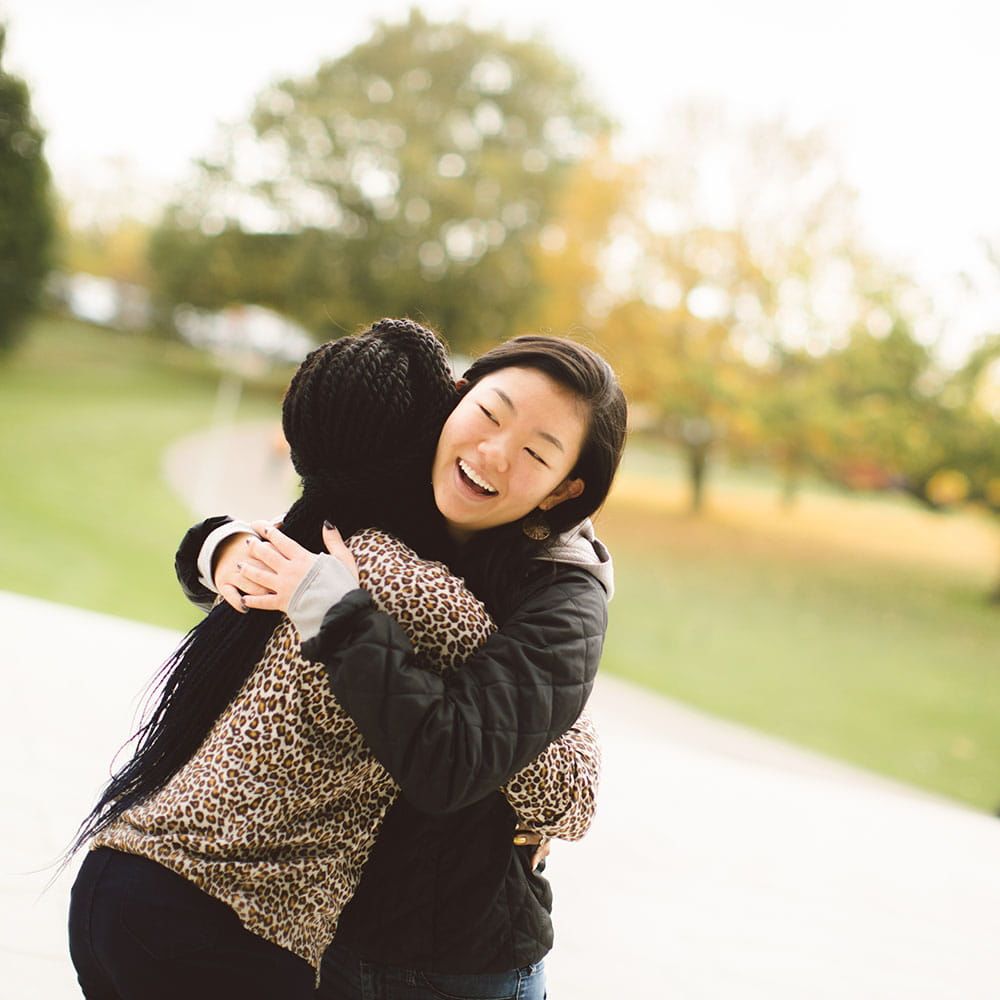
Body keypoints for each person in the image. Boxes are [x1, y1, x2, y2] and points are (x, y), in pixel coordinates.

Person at [72, 320, 626, 999]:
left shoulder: (562, 593)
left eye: (538, 454)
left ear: (564, 489)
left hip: (455, 958)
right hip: (323, 940)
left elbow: (525, 772)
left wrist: (336, 612)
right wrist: (217, 547)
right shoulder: (396, 492)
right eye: (488, 413)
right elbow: (286, 547)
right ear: (458, 393)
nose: (495, 452)